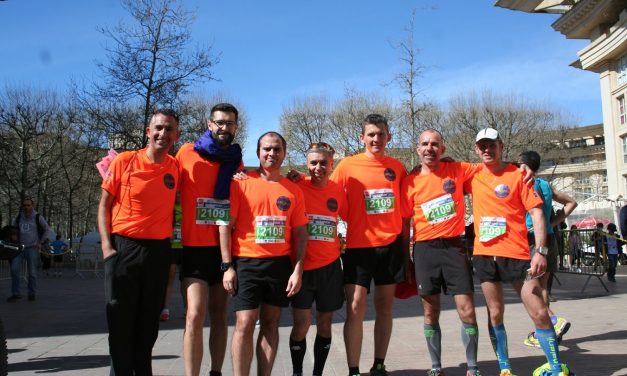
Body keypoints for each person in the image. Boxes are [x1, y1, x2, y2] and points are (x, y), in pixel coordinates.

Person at [469, 128, 572, 376]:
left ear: (501, 146)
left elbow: (537, 213)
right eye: (482, 146)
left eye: (491, 145)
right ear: (476, 149)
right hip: (484, 254)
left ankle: (556, 367)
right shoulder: (470, 173)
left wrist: (541, 251)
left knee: (537, 308)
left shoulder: (519, 175)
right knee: (494, 312)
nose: (487, 149)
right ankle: (505, 368)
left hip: (517, 254)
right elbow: (443, 166)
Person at [97, 108, 181, 375]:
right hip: (124, 248)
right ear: (148, 131)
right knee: (121, 323)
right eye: (158, 128)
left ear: (176, 136)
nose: (163, 133)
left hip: (158, 252)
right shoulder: (124, 161)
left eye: (169, 129)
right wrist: (106, 247)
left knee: (148, 326)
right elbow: (104, 206)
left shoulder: (176, 166)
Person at [219, 131, 308, 376]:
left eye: (277, 149)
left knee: (271, 323)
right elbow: (225, 225)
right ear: (258, 153)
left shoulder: (293, 190)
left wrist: (297, 269)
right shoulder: (241, 183)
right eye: (267, 149)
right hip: (246, 263)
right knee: (244, 324)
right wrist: (227, 266)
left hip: (279, 265)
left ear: (284, 153)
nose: (272, 153)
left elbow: (301, 233)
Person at [330, 114, 408, 376]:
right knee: (354, 308)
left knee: (385, 309)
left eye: (381, 134)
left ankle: (378, 365)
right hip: (357, 248)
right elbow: (325, 194)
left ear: (389, 137)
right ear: (361, 137)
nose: (376, 139)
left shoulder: (397, 167)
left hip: (390, 247)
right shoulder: (346, 166)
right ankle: (353, 369)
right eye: (371, 134)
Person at [400, 129, 482, 376]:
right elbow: (405, 223)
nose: (429, 148)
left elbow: (490, 167)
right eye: (424, 144)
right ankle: (436, 366)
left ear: (442, 149)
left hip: (454, 248)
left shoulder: (457, 170)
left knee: (467, 309)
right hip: (425, 250)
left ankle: (472, 367)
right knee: (429, 311)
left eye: (435, 144)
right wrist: (406, 259)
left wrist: (521, 167)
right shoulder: (410, 181)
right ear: (418, 149)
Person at [176, 102, 242, 376]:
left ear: (236, 127)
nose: (224, 127)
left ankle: (215, 371)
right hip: (193, 247)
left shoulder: (236, 160)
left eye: (229, 123)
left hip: (223, 250)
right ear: (209, 123)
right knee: (194, 315)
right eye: (219, 122)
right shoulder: (186, 152)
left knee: (219, 316)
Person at [287, 142, 347, 376]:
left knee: (325, 322)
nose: (318, 167)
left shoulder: (338, 191)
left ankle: (318, 373)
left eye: (323, 163)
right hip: (302, 267)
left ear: (332, 165)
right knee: (301, 324)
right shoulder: (295, 185)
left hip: (330, 267)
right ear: (307, 165)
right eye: (313, 163)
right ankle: (297, 371)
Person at [517, 150, 577, 348]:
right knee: (542, 288)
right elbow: (571, 202)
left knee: (530, 289)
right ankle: (543, 332)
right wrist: (554, 221)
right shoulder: (546, 185)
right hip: (550, 238)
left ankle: (553, 322)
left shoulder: (525, 183)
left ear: (523, 165)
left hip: (533, 239)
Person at [8, 198, 51, 302]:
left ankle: (32, 293)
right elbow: (13, 229)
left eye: (28, 205)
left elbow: (47, 229)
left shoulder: (37, 217)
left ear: (33, 206)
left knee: (32, 272)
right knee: (14, 270)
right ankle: (16, 293)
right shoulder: (19, 217)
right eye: (24, 205)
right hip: (19, 248)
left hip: (32, 248)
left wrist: (41, 242)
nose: (26, 207)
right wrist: (13, 235)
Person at [160, 202, 183, 322]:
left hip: (188, 246)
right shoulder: (169, 205)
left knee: (187, 279)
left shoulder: (190, 203)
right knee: (170, 276)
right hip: (172, 245)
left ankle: (189, 309)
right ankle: (165, 309)